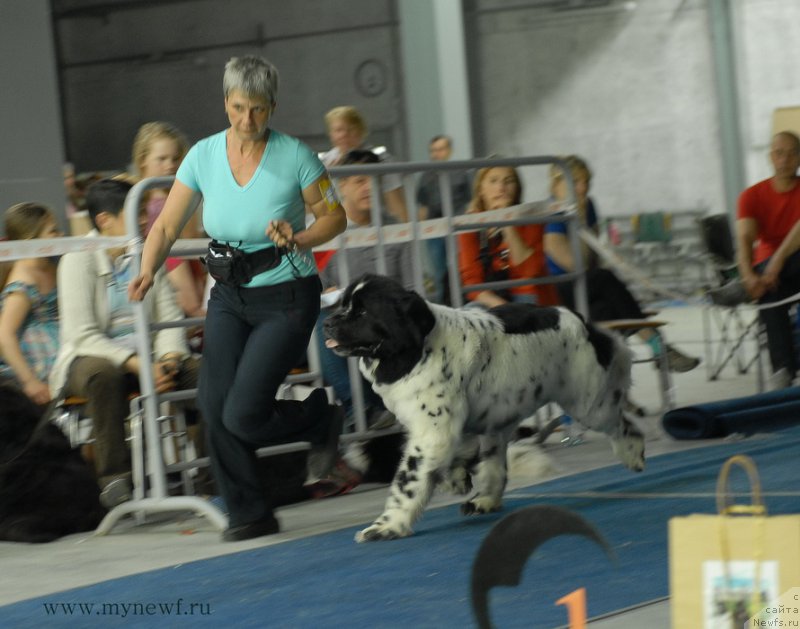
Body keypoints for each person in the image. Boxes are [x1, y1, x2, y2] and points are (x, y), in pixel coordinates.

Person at [129, 55, 348, 542]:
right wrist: (145, 270)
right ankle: (249, 513)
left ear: (273, 106)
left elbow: (335, 218)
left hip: (287, 294)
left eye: (258, 110)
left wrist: (301, 235)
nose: (247, 120)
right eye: (237, 107)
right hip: (228, 294)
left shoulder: (296, 156)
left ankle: (319, 417)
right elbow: (165, 224)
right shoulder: (203, 155)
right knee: (214, 402)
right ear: (225, 102)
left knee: (244, 413)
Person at [49, 178, 198, 509]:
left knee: (205, 372)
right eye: (138, 213)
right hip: (89, 358)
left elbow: (169, 319)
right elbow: (82, 335)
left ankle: (215, 470)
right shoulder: (78, 259)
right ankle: (113, 479)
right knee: (104, 374)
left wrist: (170, 359)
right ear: (105, 221)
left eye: (145, 213)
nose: (146, 221)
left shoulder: (147, 253)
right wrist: (138, 363)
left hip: (152, 356)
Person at [543, 155, 700, 372]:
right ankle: (658, 346)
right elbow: (575, 265)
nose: (583, 188)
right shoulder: (551, 214)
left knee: (606, 310)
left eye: (586, 182)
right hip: (560, 289)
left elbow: (594, 256)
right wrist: (577, 223)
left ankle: (614, 384)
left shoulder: (587, 206)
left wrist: (582, 220)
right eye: (576, 182)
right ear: (557, 185)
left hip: (587, 288)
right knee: (605, 280)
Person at [317, 149, 414, 427]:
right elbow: (317, 290)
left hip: (389, 321)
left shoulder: (398, 229)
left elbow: (412, 288)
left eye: (374, 180)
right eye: (359, 180)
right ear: (342, 185)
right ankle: (358, 409)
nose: (368, 187)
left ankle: (368, 411)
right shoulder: (325, 233)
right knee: (321, 320)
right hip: (346, 323)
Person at [734, 131, 800, 389]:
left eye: (792, 153)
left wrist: (777, 262)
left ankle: (782, 370)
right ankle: (783, 372)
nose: (785, 159)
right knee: (768, 294)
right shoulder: (751, 196)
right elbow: (743, 241)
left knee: (769, 288)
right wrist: (748, 276)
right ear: (770, 157)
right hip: (769, 276)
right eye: (779, 153)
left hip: (781, 268)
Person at [130, 122, 207, 320]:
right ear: (142, 160)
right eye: (161, 159)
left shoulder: (185, 193)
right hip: (164, 264)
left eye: (175, 158)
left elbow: (192, 239)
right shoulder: (135, 197)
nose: (170, 165)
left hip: (189, 263)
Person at [458, 164, 559, 308]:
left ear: (517, 188)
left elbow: (529, 272)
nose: (501, 188)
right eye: (493, 181)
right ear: (481, 190)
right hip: (492, 299)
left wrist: (507, 223)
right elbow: (472, 282)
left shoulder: (532, 218)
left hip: (527, 293)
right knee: (472, 311)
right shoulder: (469, 224)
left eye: (509, 181)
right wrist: (506, 310)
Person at [0, 203, 61, 406]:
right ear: (30, 239)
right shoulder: (23, 281)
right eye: (53, 231)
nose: (60, 235)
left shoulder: (51, 266)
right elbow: (5, 334)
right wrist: (29, 381)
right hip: (40, 361)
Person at [320, 105, 408, 223]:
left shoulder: (382, 160)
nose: (344, 135)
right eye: (338, 130)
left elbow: (396, 204)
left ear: (361, 131)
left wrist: (402, 232)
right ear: (331, 134)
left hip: (377, 222)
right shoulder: (324, 163)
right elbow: (327, 204)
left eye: (350, 129)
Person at [416, 135, 472, 304]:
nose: (437, 154)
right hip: (434, 231)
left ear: (449, 151)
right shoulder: (425, 177)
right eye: (433, 150)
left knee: (461, 269)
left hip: (458, 228)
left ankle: (463, 304)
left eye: (441, 149)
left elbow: (470, 201)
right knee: (439, 272)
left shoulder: (461, 173)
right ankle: (443, 309)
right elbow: (423, 206)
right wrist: (421, 231)